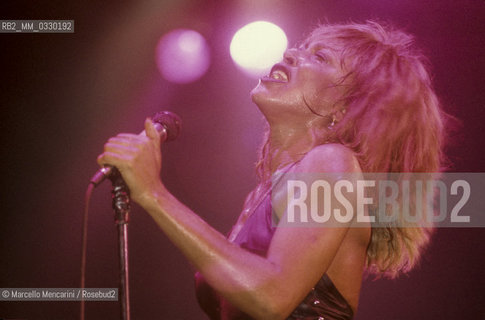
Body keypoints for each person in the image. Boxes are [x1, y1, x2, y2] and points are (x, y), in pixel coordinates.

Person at [97, 21, 446, 319]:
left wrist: (154, 194)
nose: (292, 53)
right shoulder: (261, 193)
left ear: (347, 106)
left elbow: (272, 297)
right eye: (303, 46)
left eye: (320, 57)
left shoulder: (334, 162)